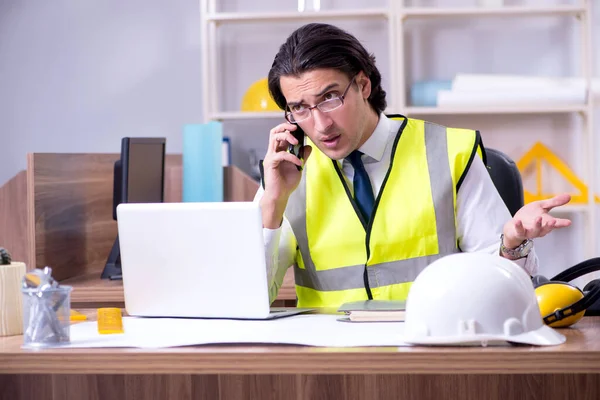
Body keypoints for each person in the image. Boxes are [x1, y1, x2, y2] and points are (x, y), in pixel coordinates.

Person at [254, 23, 572, 308]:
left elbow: (505, 286)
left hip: (434, 350)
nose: (321, 124)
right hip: (330, 362)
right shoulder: (286, 172)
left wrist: (513, 245)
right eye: (300, 108)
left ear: (363, 85)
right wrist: (273, 203)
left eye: (330, 98)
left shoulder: (448, 152)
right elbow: (252, 296)